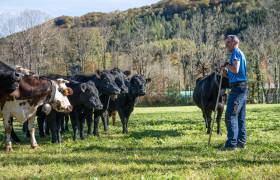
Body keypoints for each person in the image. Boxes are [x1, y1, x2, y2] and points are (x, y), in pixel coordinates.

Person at [221, 35, 248, 150]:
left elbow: (236, 69)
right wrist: (224, 70)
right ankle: (241, 143)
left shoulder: (236, 53)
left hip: (238, 89)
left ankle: (231, 144)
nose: (226, 45)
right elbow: (230, 74)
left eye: (227, 43)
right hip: (239, 87)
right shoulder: (235, 54)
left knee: (230, 115)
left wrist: (227, 65)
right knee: (240, 116)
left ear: (234, 42)